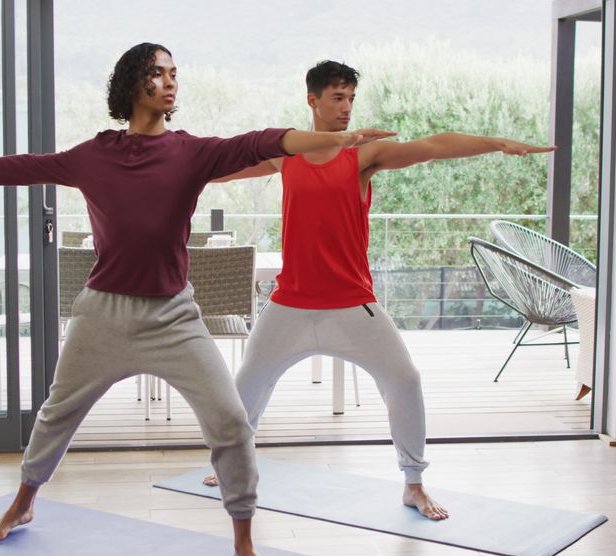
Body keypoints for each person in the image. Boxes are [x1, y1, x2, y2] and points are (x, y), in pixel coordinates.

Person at [0, 45, 393, 556]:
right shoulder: (94, 155)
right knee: (56, 415)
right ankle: (22, 506)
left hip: (173, 318)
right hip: (102, 315)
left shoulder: (192, 152)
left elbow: (263, 141)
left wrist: (337, 139)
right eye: (158, 73)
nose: (170, 81)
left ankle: (243, 543)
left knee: (230, 420)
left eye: (175, 73)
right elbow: (28, 165)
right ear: (134, 84)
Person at [204, 60, 555, 521]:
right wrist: (166, 173)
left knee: (405, 381)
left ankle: (413, 483)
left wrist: (495, 144)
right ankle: (230, 463)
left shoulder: (362, 157)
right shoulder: (285, 154)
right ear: (312, 100)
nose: (346, 108)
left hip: (353, 304)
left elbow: (432, 146)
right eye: (337, 98)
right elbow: (221, 170)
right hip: (289, 303)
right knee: (247, 384)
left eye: (351, 98)